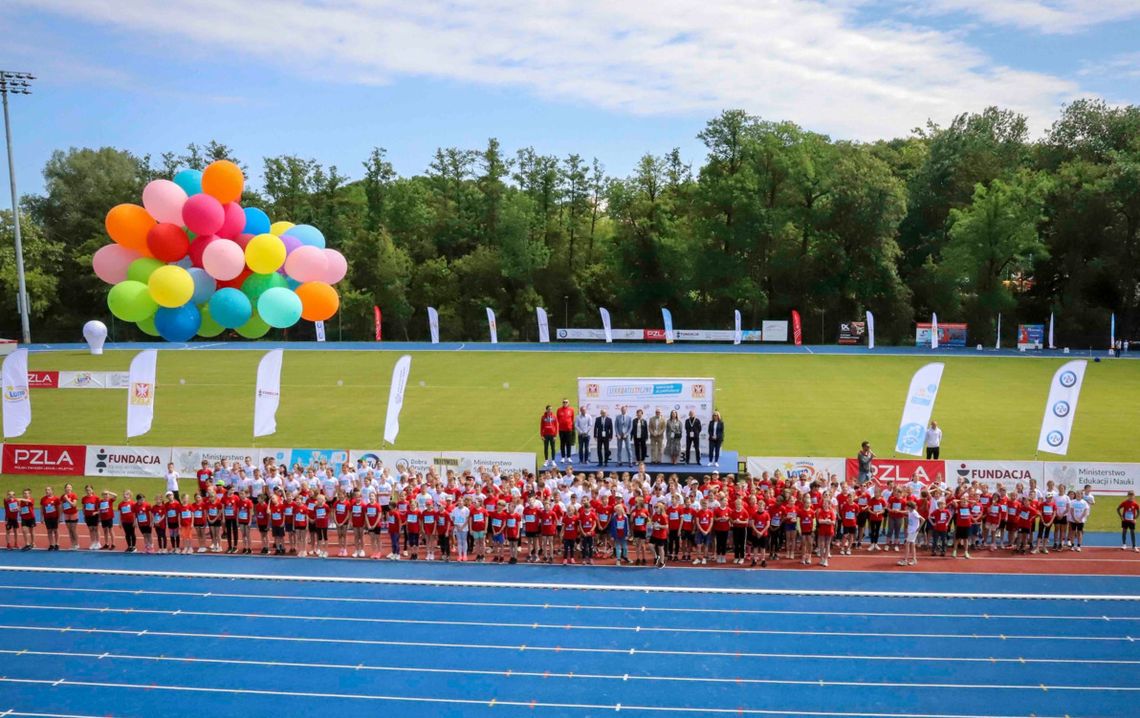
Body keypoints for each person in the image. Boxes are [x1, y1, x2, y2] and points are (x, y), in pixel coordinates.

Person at [899, 500, 921, 567]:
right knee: (912, 545)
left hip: (913, 531)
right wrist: (898, 511)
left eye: (907, 506)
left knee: (907, 544)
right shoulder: (910, 511)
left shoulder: (914, 513)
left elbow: (923, 519)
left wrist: (918, 528)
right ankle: (914, 559)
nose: (905, 507)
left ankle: (905, 560)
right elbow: (905, 511)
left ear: (910, 507)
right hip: (911, 530)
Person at [39, 486, 61, 551]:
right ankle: (51, 544)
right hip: (47, 517)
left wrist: (59, 517)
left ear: (52, 491)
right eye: (46, 490)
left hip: (54, 517)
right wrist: (42, 517)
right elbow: (42, 508)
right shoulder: (43, 499)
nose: (47, 491)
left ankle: (57, 544)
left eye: (48, 490)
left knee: (55, 530)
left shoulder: (56, 499)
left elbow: (59, 508)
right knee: (49, 531)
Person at [556, 399, 576, 464]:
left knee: (568, 444)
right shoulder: (559, 410)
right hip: (561, 430)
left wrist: (569, 426)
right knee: (562, 444)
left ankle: (569, 457)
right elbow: (558, 419)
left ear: (568, 403)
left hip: (569, 430)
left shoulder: (571, 410)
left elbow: (572, 419)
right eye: (564, 402)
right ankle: (562, 457)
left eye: (566, 402)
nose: (565, 403)